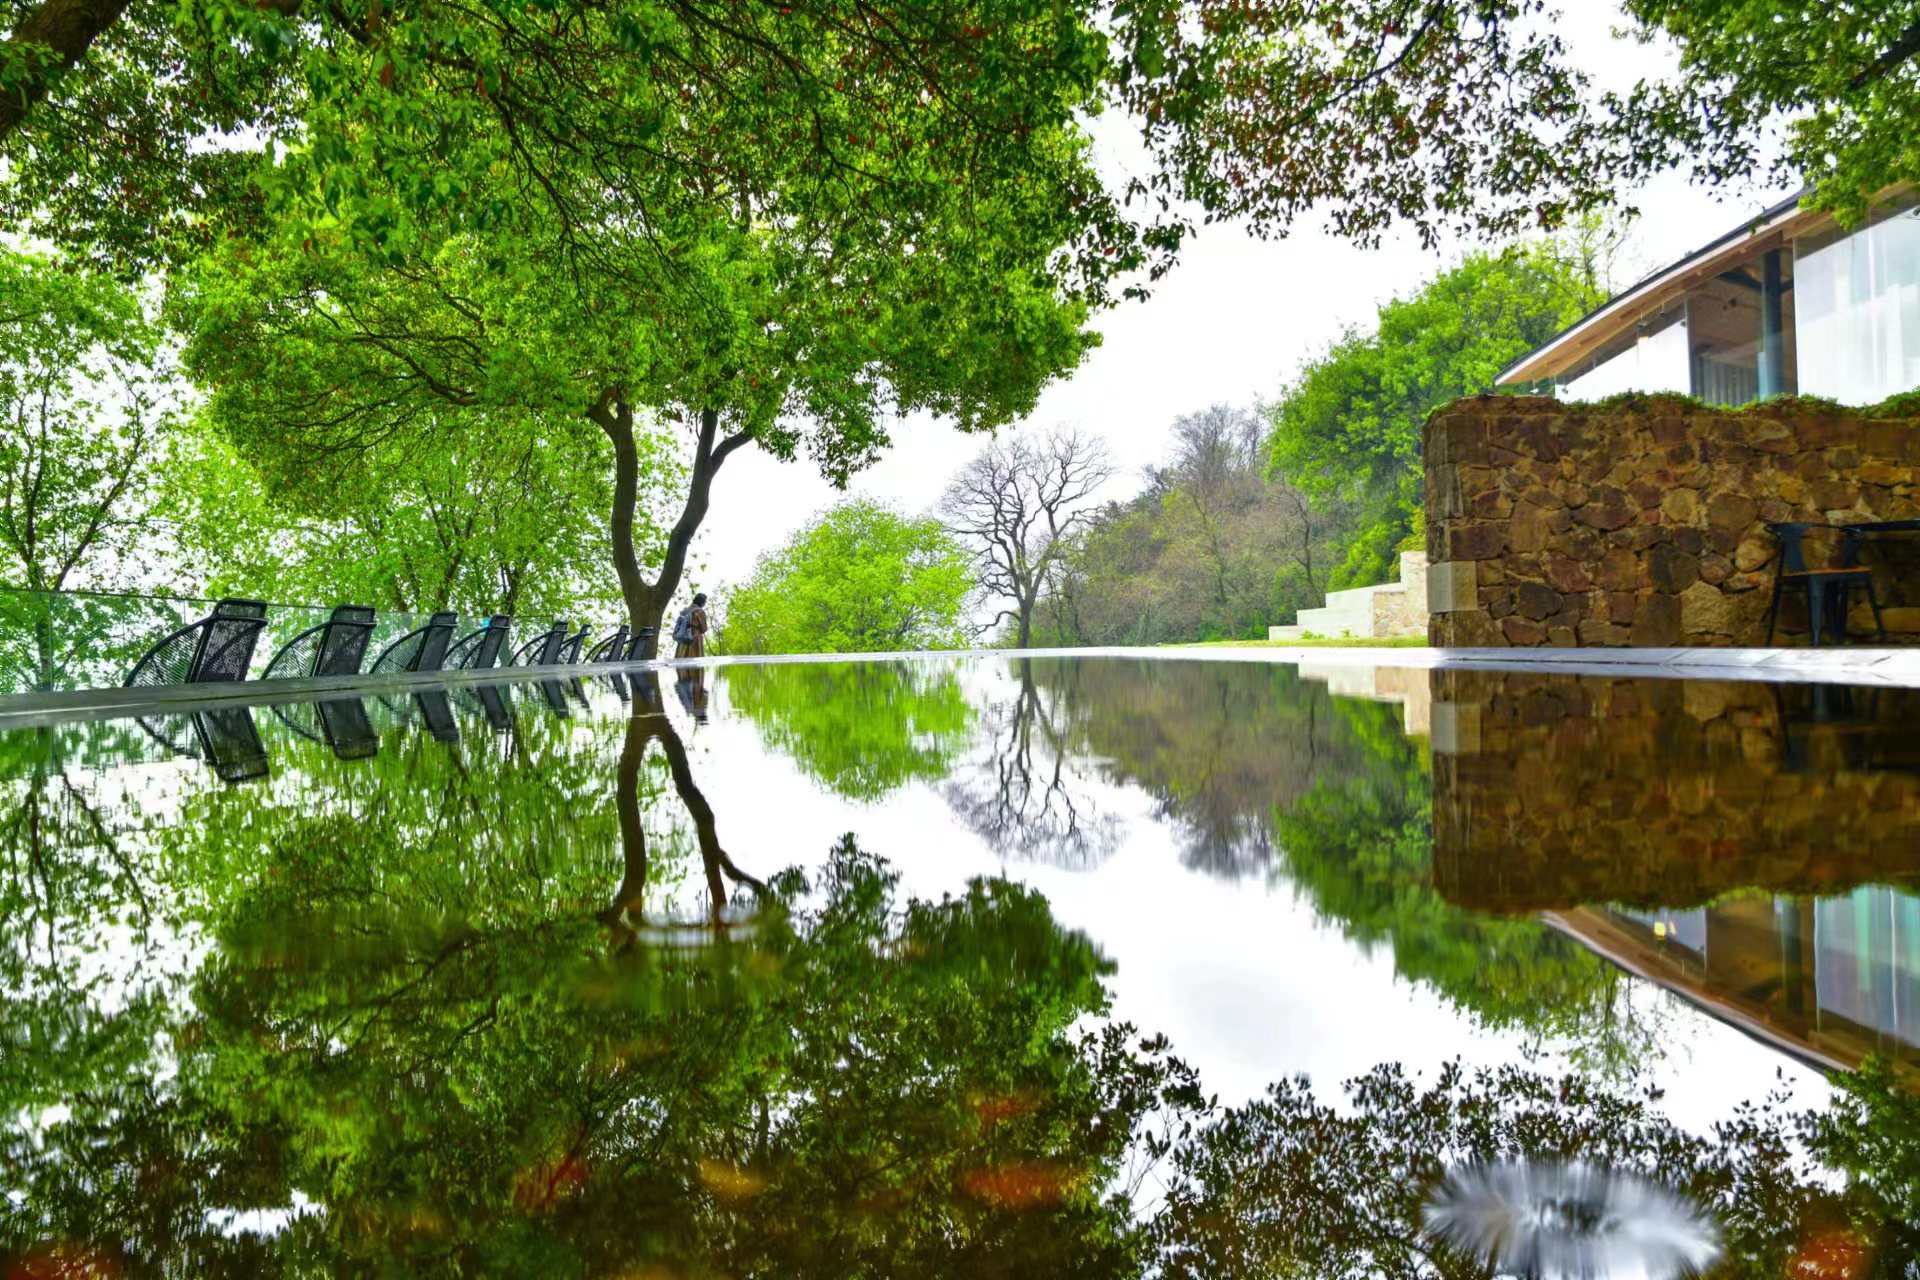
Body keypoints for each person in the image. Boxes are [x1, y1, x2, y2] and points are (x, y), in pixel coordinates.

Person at [671, 592, 709, 660]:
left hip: (682, 639)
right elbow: (704, 628)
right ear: (702, 602)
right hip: (695, 639)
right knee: (695, 662)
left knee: (682, 661)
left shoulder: (684, 611)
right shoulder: (700, 612)